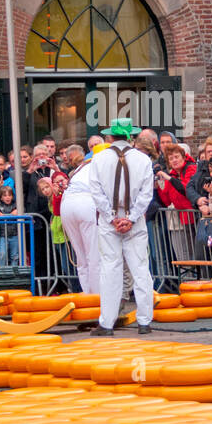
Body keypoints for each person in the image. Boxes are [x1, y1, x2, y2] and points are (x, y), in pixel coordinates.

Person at [88, 120, 154, 335]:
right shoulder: (143, 160)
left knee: (110, 269)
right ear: (131, 137)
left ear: (109, 138)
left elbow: (96, 192)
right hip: (133, 221)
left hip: (110, 222)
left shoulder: (99, 159)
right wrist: (132, 218)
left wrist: (111, 217)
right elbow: (146, 194)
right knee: (140, 267)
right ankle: (144, 321)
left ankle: (107, 322)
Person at [154, 142, 199, 281]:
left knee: (196, 254)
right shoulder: (172, 175)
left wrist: (169, 179)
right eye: (171, 158)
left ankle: (197, 283)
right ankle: (187, 283)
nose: (174, 160)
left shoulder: (191, 169)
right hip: (181, 218)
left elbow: (186, 189)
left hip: (194, 216)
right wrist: (160, 187)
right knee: (183, 254)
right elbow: (167, 201)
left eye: (176, 157)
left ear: (183, 157)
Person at [59, 144, 100, 296]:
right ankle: (97, 298)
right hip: (86, 202)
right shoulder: (99, 166)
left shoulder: (78, 170)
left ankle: (88, 294)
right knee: (94, 256)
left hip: (68, 203)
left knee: (82, 257)